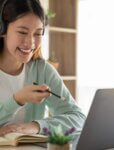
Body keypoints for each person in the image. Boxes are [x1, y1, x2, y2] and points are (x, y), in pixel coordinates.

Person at [0, 0, 86, 137]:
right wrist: (17, 100)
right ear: (2, 30)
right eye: (22, 32)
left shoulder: (43, 70)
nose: (31, 43)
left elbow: (79, 118)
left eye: (38, 33)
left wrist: (36, 126)